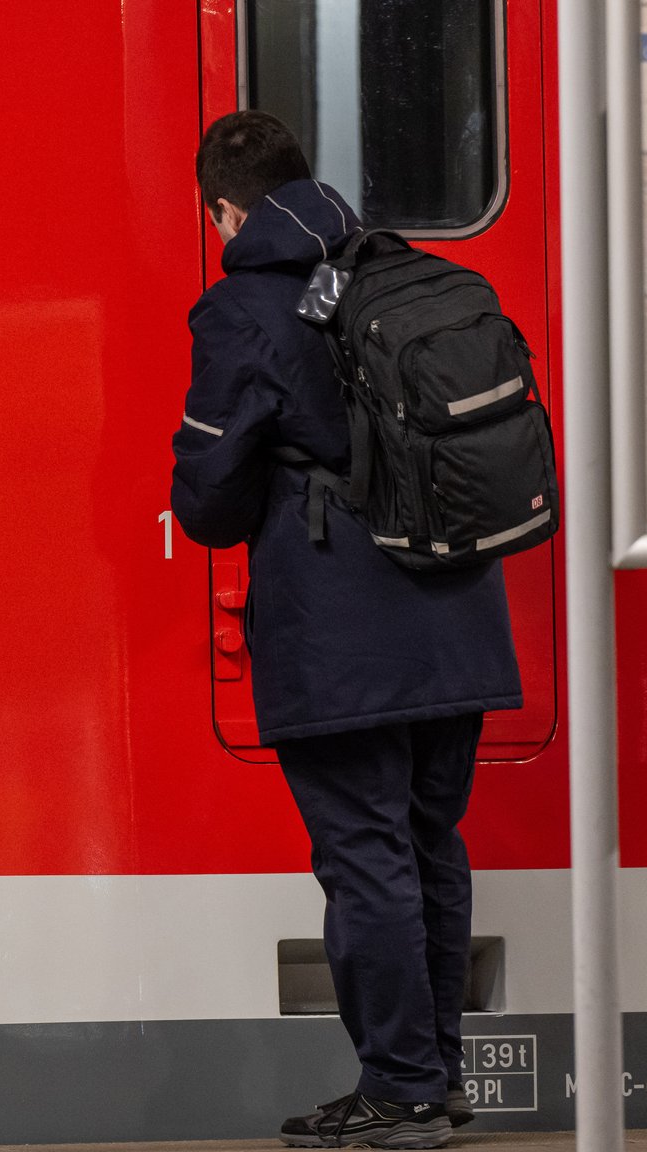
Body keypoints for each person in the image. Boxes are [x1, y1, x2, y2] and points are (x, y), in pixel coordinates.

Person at [170, 110, 524, 1149]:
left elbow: (209, 498)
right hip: (456, 611)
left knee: (363, 857)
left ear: (224, 209)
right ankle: (433, 1077)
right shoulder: (399, 272)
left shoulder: (240, 307)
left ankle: (402, 1093)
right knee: (426, 845)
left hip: (339, 631)